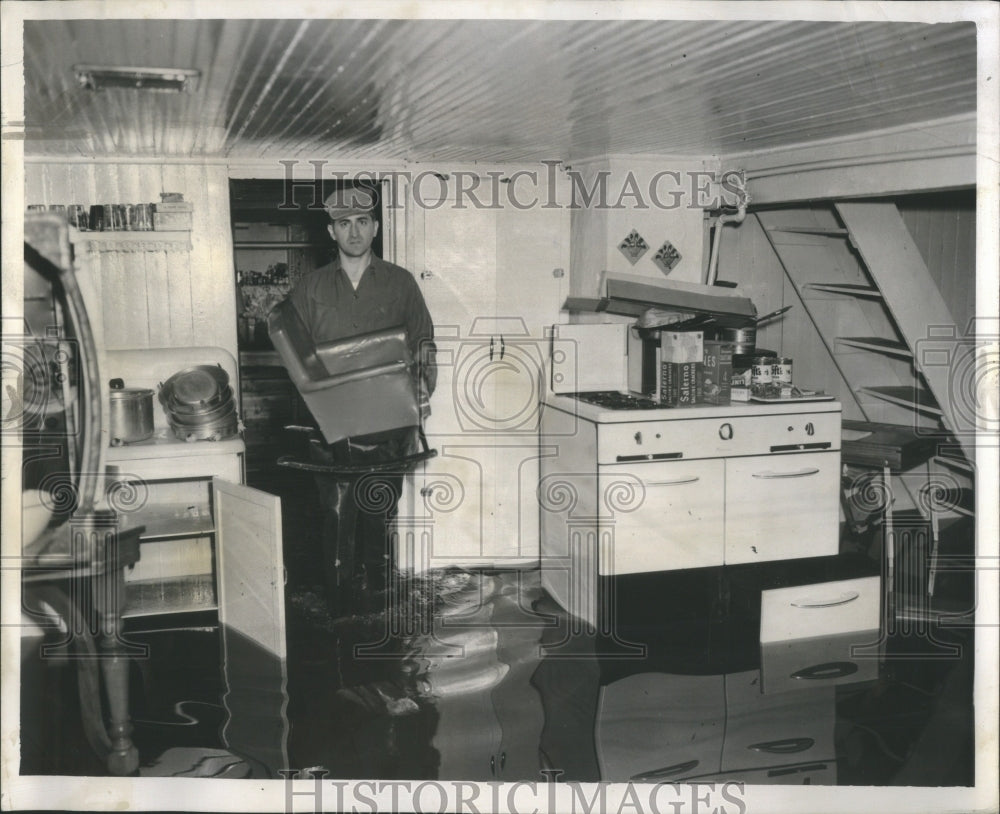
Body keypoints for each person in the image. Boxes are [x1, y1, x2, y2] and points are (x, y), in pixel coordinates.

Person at [284, 185, 436, 615]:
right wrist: (315, 403)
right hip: (329, 424)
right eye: (344, 223)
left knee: (379, 511)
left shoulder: (401, 283)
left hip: (388, 421)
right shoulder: (309, 289)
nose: (354, 231)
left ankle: (379, 607)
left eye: (362, 222)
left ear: (376, 227)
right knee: (334, 514)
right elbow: (294, 359)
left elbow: (424, 340)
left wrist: (423, 387)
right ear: (331, 231)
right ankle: (337, 606)